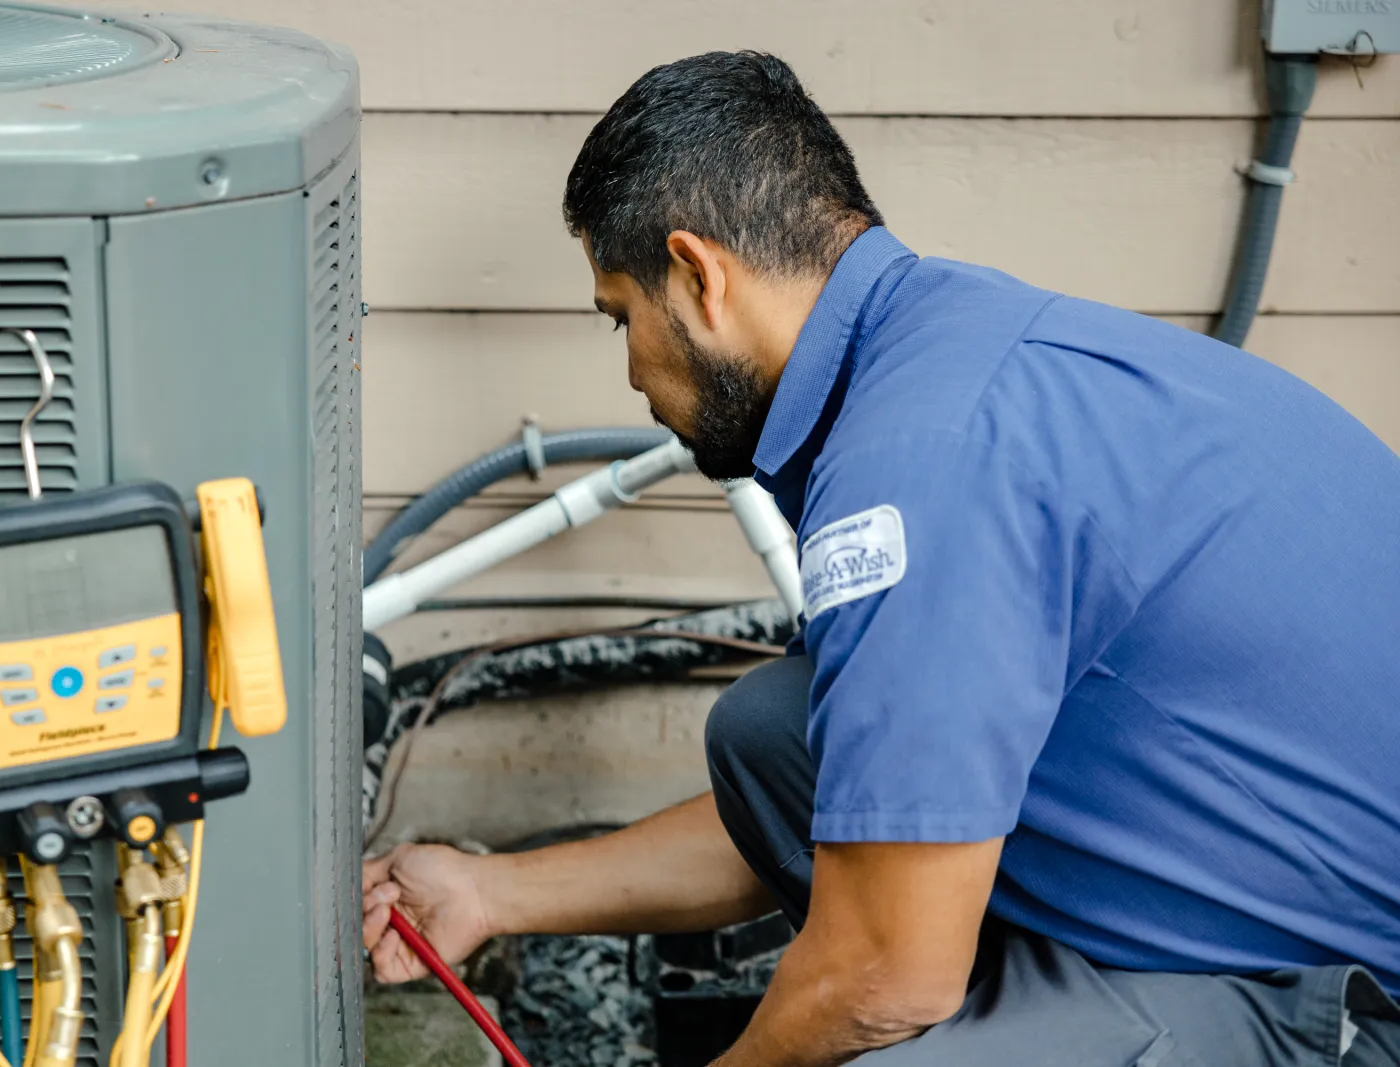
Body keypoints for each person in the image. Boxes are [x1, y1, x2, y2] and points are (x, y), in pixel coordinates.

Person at [362, 51, 1400, 1066]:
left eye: (622, 315)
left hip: (1351, 1000)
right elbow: (881, 805)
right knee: (772, 732)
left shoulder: (921, 460)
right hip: (1240, 877)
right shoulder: (943, 349)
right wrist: (493, 893)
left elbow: (884, 973)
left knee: (871, 1008)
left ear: (698, 275)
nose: (631, 364)